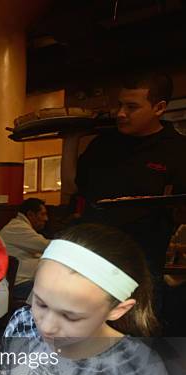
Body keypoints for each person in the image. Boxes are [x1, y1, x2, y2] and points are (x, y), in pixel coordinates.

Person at [0, 223, 167, 375]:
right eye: (41, 303)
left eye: (71, 317)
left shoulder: (140, 369)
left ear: (117, 310)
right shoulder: (23, 324)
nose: (48, 326)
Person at [67, 73, 186, 278]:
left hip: (142, 263)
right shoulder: (103, 144)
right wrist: (70, 140)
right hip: (91, 254)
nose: (121, 113)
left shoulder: (177, 149)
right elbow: (73, 186)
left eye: (132, 107)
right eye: (120, 105)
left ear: (159, 108)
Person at [0, 198, 50, 300]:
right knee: (58, 294)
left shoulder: (19, 226)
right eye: (42, 214)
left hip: (21, 282)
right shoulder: (17, 227)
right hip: (18, 285)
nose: (46, 219)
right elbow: (46, 246)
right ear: (31, 214)